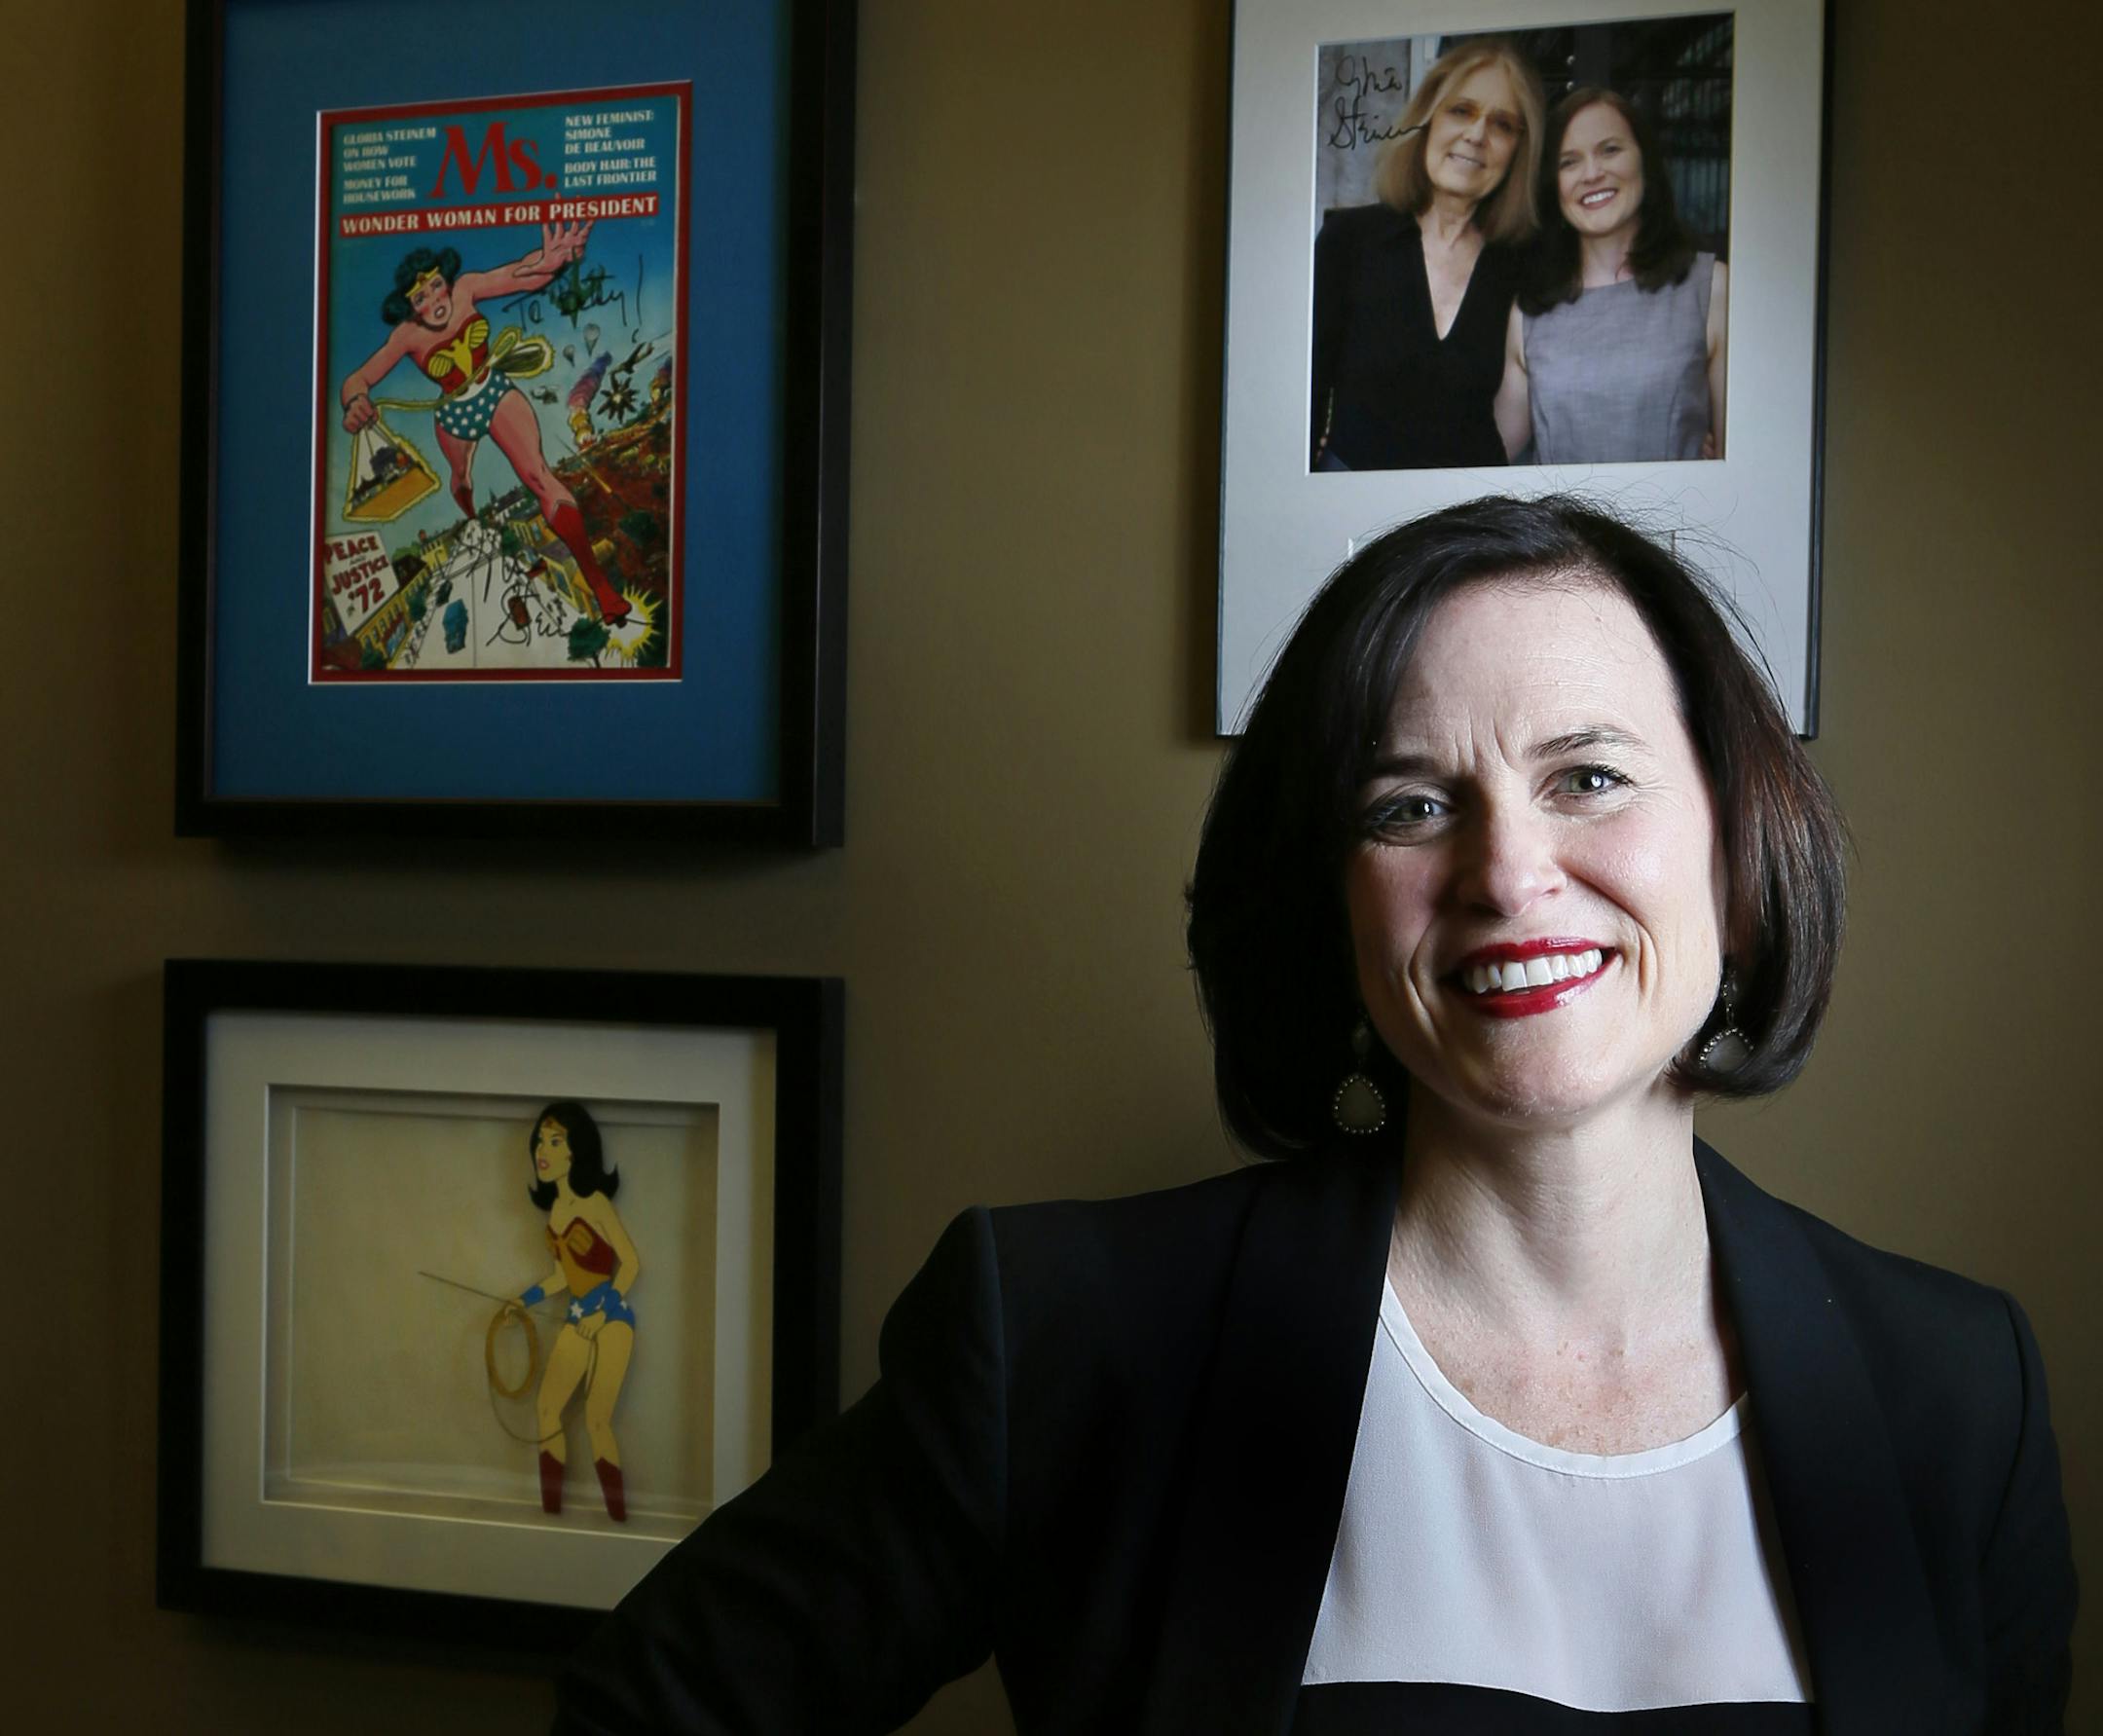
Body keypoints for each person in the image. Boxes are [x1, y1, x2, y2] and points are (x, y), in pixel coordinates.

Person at [550, 498, 2075, 1731]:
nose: (1506, 870)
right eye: (1411, 803)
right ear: (1333, 906)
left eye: (1590, 776)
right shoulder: (1068, 1336)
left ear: (1740, 850)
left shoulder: (1960, 1391)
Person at [340, 227, 634, 625]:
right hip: (454, 414)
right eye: (420, 297)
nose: (435, 300)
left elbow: (524, 273)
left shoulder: (467, 289)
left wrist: (555, 258)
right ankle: (465, 493)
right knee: (460, 477)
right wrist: (356, 403)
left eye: (437, 286)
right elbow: (356, 380)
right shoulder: (405, 337)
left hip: (494, 390)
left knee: (540, 475)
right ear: (411, 306)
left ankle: (601, 588)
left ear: (446, 280)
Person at [1310, 43, 1545, 471]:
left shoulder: (1527, 265)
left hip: (1467, 518)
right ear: (1427, 119)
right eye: (1461, 110)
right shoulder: (1349, 240)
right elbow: (1303, 391)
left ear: (1518, 151)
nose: (1476, 134)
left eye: (1503, 124)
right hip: (1344, 506)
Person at [1494, 89, 1729, 464]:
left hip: (1678, 520)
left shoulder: (1711, 288)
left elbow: (1745, 461)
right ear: (1552, 186)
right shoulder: (1528, 312)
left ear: (1645, 162)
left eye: (1610, 150)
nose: (1592, 173)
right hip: (1558, 524)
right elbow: (1488, 454)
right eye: (1569, 162)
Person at [511, 1101, 642, 1523]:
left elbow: (632, 1263)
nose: (541, 1151)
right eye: (539, 1141)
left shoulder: (598, 1203)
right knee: (547, 1408)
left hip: (612, 1318)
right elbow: (560, 1278)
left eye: (554, 1140)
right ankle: (552, 1516)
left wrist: (601, 1315)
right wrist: (524, 1300)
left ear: (576, 1151)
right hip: (577, 1315)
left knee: (596, 1419)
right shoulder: (555, 1213)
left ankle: (618, 1519)